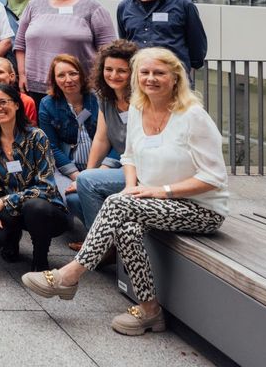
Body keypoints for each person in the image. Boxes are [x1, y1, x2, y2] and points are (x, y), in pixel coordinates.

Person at [21, 47, 229, 337]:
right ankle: (150, 311)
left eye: (159, 73)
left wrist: (162, 191)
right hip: (154, 200)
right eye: (145, 72)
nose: (151, 78)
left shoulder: (192, 116)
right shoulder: (139, 109)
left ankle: (69, 276)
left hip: (199, 209)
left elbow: (214, 177)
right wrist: (131, 188)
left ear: (175, 77)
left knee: (118, 205)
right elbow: (129, 156)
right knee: (127, 228)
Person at [0, 82, 69, 272]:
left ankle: (40, 258)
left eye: (3, 102)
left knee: (34, 206)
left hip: (46, 210)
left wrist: (4, 202)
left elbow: (46, 187)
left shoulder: (37, 137)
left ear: (17, 104)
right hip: (13, 210)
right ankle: (12, 236)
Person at [14, 0, 116, 95]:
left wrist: (100, 81)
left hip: (79, 87)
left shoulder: (92, 7)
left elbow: (107, 49)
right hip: (36, 87)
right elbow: (20, 45)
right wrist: (22, 75)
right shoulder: (34, 5)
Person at [74, 39, 139, 238]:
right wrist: (88, 173)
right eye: (109, 69)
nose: (113, 75)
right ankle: (110, 241)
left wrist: (87, 178)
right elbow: (101, 140)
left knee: (86, 183)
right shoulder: (105, 97)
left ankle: (101, 246)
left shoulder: (142, 99)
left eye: (121, 71)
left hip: (143, 170)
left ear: (134, 72)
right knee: (75, 197)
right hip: (123, 167)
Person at [37, 54, 101, 224]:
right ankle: (94, 233)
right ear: (54, 79)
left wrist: (93, 173)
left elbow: (109, 139)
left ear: (81, 74)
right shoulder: (47, 104)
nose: (68, 80)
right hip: (66, 167)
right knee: (72, 198)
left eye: (73, 73)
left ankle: (96, 238)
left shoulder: (98, 99)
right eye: (61, 75)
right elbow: (52, 147)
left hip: (99, 165)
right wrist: (76, 176)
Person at [116, 0, 207, 71]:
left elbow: (197, 41)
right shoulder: (124, 7)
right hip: (139, 76)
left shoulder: (184, 5)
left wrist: (190, 66)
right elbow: (125, 43)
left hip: (175, 76)